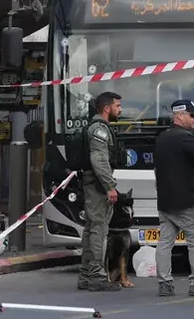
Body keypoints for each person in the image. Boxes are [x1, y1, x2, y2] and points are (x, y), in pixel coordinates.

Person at [153, 99, 194, 297]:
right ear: (180, 116)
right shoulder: (185, 138)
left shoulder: (162, 138)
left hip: (164, 201)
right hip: (186, 200)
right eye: (192, 115)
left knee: (165, 242)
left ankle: (165, 284)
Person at [77, 91, 123, 292]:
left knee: (91, 228)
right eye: (117, 106)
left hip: (93, 183)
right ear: (107, 108)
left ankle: (86, 275)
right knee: (99, 229)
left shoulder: (96, 127)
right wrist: (109, 187)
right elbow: (99, 160)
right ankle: (96, 276)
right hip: (97, 185)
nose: (120, 109)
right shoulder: (99, 130)